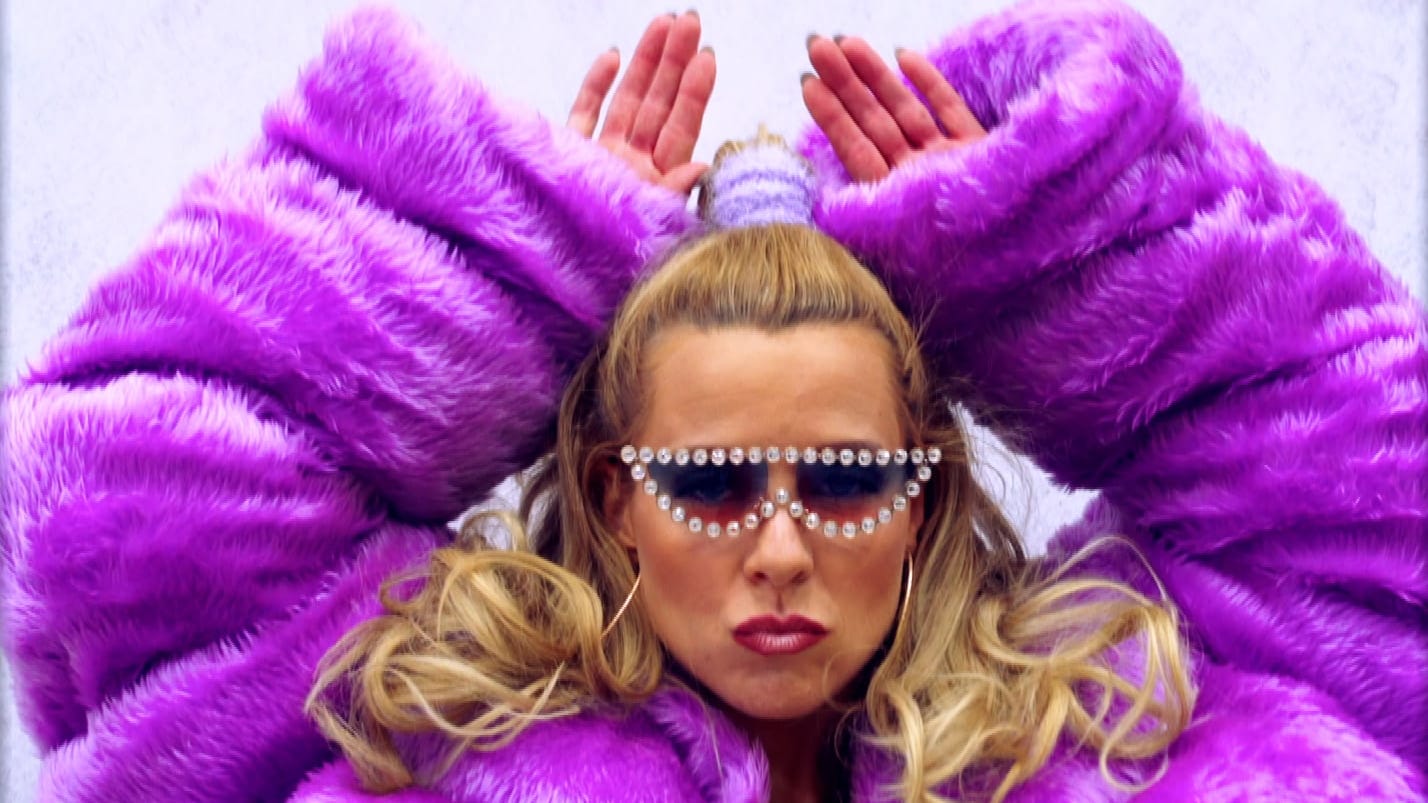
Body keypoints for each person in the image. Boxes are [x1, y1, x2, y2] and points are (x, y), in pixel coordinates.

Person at [1, 2, 1422, 802]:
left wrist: (1060, 246)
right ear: (613, 497)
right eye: (711, 482)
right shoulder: (417, 740)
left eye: (848, 483)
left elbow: (1380, 519)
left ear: (924, 500)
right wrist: (499, 250)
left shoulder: (1116, 745)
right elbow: (106, 510)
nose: (783, 550)